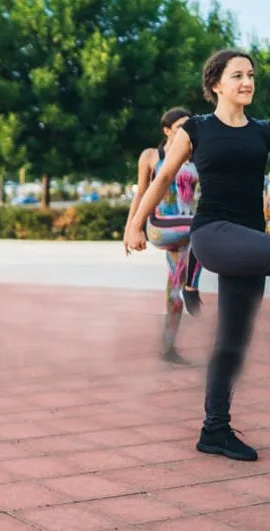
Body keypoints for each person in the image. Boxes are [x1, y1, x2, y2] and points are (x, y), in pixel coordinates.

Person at [125, 49, 270, 462]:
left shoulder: (263, 131)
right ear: (216, 84)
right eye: (238, 75)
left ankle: (215, 430)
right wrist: (136, 223)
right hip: (214, 233)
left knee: (233, 341)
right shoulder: (197, 129)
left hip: (252, 241)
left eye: (252, 75)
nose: (247, 82)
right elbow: (165, 175)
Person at [123, 107, 203, 365]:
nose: (186, 132)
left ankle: (168, 349)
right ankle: (193, 287)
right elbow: (141, 192)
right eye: (180, 126)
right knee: (207, 226)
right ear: (167, 130)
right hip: (160, 225)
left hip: (185, 230)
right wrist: (130, 228)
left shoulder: (195, 159)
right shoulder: (151, 156)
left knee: (173, 294)